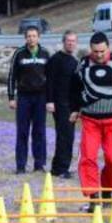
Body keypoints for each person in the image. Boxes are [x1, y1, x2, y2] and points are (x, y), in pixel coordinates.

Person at [69, 32, 112, 211]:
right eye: (95, 51)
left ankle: (107, 191)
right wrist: (74, 109)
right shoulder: (83, 64)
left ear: (108, 47)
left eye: (102, 51)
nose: (99, 55)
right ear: (90, 48)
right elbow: (74, 88)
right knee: (88, 157)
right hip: (90, 120)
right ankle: (93, 197)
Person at [7, 26, 53, 174]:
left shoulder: (45, 53)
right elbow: (11, 76)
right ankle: (21, 166)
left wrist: (50, 100)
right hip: (24, 97)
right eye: (29, 36)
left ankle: (39, 165)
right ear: (25, 38)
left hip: (41, 97)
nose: (31, 39)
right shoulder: (19, 53)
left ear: (38, 37)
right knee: (22, 131)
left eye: (34, 36)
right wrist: (11, 97)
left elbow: (51, 79)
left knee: (39, 131)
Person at [46, 30, 80, 178]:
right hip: (59, 104)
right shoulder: (55, 59)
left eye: (73, 41)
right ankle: (59, 169)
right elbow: (49, 82)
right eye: (68, 41)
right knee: (64, 136)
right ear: (64, 42)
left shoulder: (74, 61)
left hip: (71, 105)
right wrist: (49, 101)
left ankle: (60, 167)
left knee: (69, 136)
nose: (71, 43)